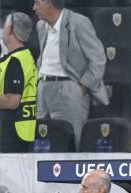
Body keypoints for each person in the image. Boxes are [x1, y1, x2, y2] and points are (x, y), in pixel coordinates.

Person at [33, 0, 109, 148]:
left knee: (70, 142)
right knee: (43, 141)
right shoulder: (41, 26)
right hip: (43, 89)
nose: (34, 8)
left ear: (49, 3)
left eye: (37, 3)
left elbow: (98, 59)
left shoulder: (78, 23)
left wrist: (81, 88)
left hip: (68, 89)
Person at [0, 12, 37, 153]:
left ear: (10, 28)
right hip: (6, 132)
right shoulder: (23, 57)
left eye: (4, 27)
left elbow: (12, 101)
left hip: (9, 134)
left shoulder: (16, 60)